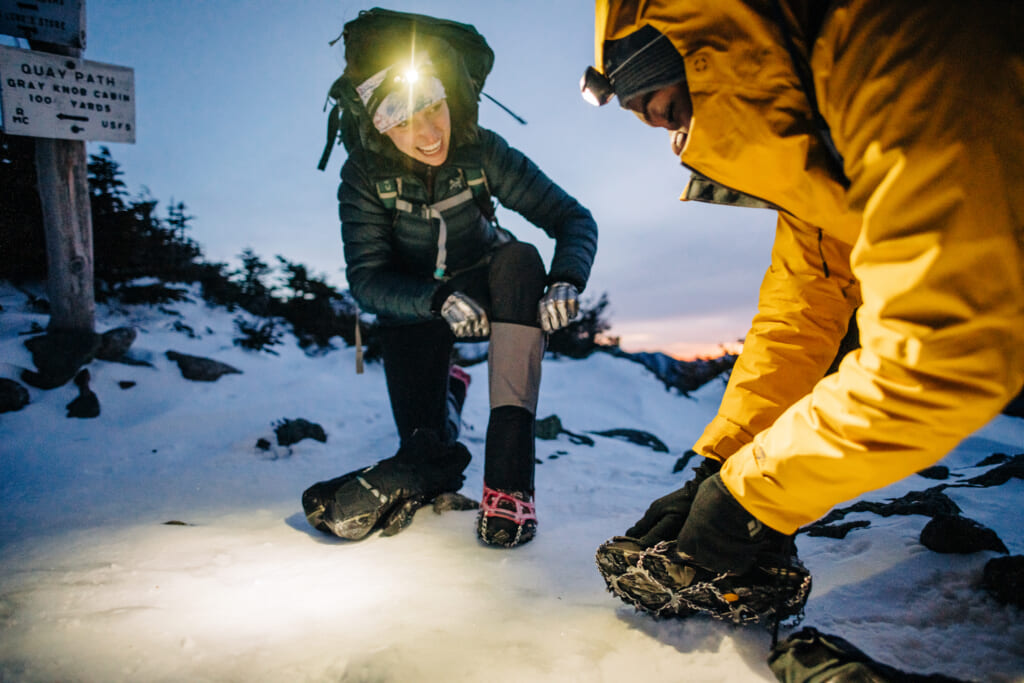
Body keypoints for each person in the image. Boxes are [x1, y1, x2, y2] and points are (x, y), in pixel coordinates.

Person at [582, 0, 1024, 624]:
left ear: (715, 56)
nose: (680, 145)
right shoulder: (821, 128)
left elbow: (946, 347)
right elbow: (804, 312)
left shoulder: (901, 44)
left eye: (673, 114)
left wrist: (754, 497)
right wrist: (725, 463)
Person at [302, 9, 598, 548]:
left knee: (521, 258)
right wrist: (436, 300)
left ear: (449, 98)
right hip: (416, 310)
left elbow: (573, 219)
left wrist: (566, 278)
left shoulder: (481, 150)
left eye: (434, 106)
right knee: (426, 448)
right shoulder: (363, 177)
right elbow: (366, 279)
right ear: (377, 124)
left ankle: (510, 487)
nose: (429, 131)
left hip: (490, 290)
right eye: (403, 119)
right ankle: (447, 403)